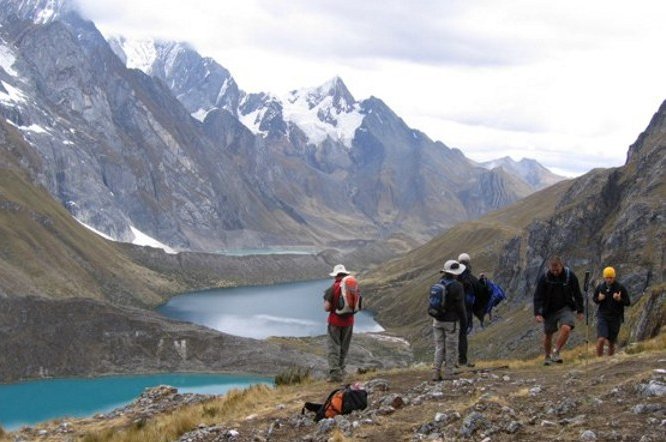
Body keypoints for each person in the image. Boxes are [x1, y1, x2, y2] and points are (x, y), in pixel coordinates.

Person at [533, 255, 584, 365]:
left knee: (566, 327)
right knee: (548, 334)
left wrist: (580, 310)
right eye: (553, 270)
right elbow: (538, 296)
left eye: (557, 270)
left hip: (565, 307)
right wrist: (537, 313)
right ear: (549, 267)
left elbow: (577, 294)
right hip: (549, 310)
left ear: (562, 265)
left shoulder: (570, 276)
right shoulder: (545, 277)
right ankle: (547, 357)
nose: (555, 272)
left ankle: (556, 352)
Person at [431, 259, 467, 381]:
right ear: (455, 273)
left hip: (437, 320)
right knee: (451, 347)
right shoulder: (457, 286)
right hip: (451, 322)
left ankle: (436, 373)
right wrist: (464, 322)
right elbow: (461, 307)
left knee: (439, 347)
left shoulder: (439, 283)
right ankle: (448, 374)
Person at [323, 264, 355, 382]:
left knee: (333, 348)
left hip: (335, 323)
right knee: (344, 347)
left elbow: (326, 308)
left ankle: (335, 375)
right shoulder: (352, 286)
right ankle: (342, 371)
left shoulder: (333, 288)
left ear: (335, 275)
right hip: (349, 322)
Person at [593, 266, 631, 357]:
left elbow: (628, 302)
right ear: (604, 277)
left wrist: (619, 299)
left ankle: (609, 360)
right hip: (603, 316)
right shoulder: (600, 287)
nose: (609, 280)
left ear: (614, 277)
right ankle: (598, 360)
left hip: (615, 317)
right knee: (601, 339)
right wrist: (599, 299)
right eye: (607, 277)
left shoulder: (620, 287)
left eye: (611, 277)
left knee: (611, 342)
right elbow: (595, 299)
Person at [456, 252, 485, 367]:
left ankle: (447, 361)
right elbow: (481, 292)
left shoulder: (454, 277)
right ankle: (462, 360)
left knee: (450, 335)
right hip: (466, 312)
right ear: (468, 263)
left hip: (452, 312)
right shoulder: (472, 279)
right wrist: (482, 281)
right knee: (462, 336)